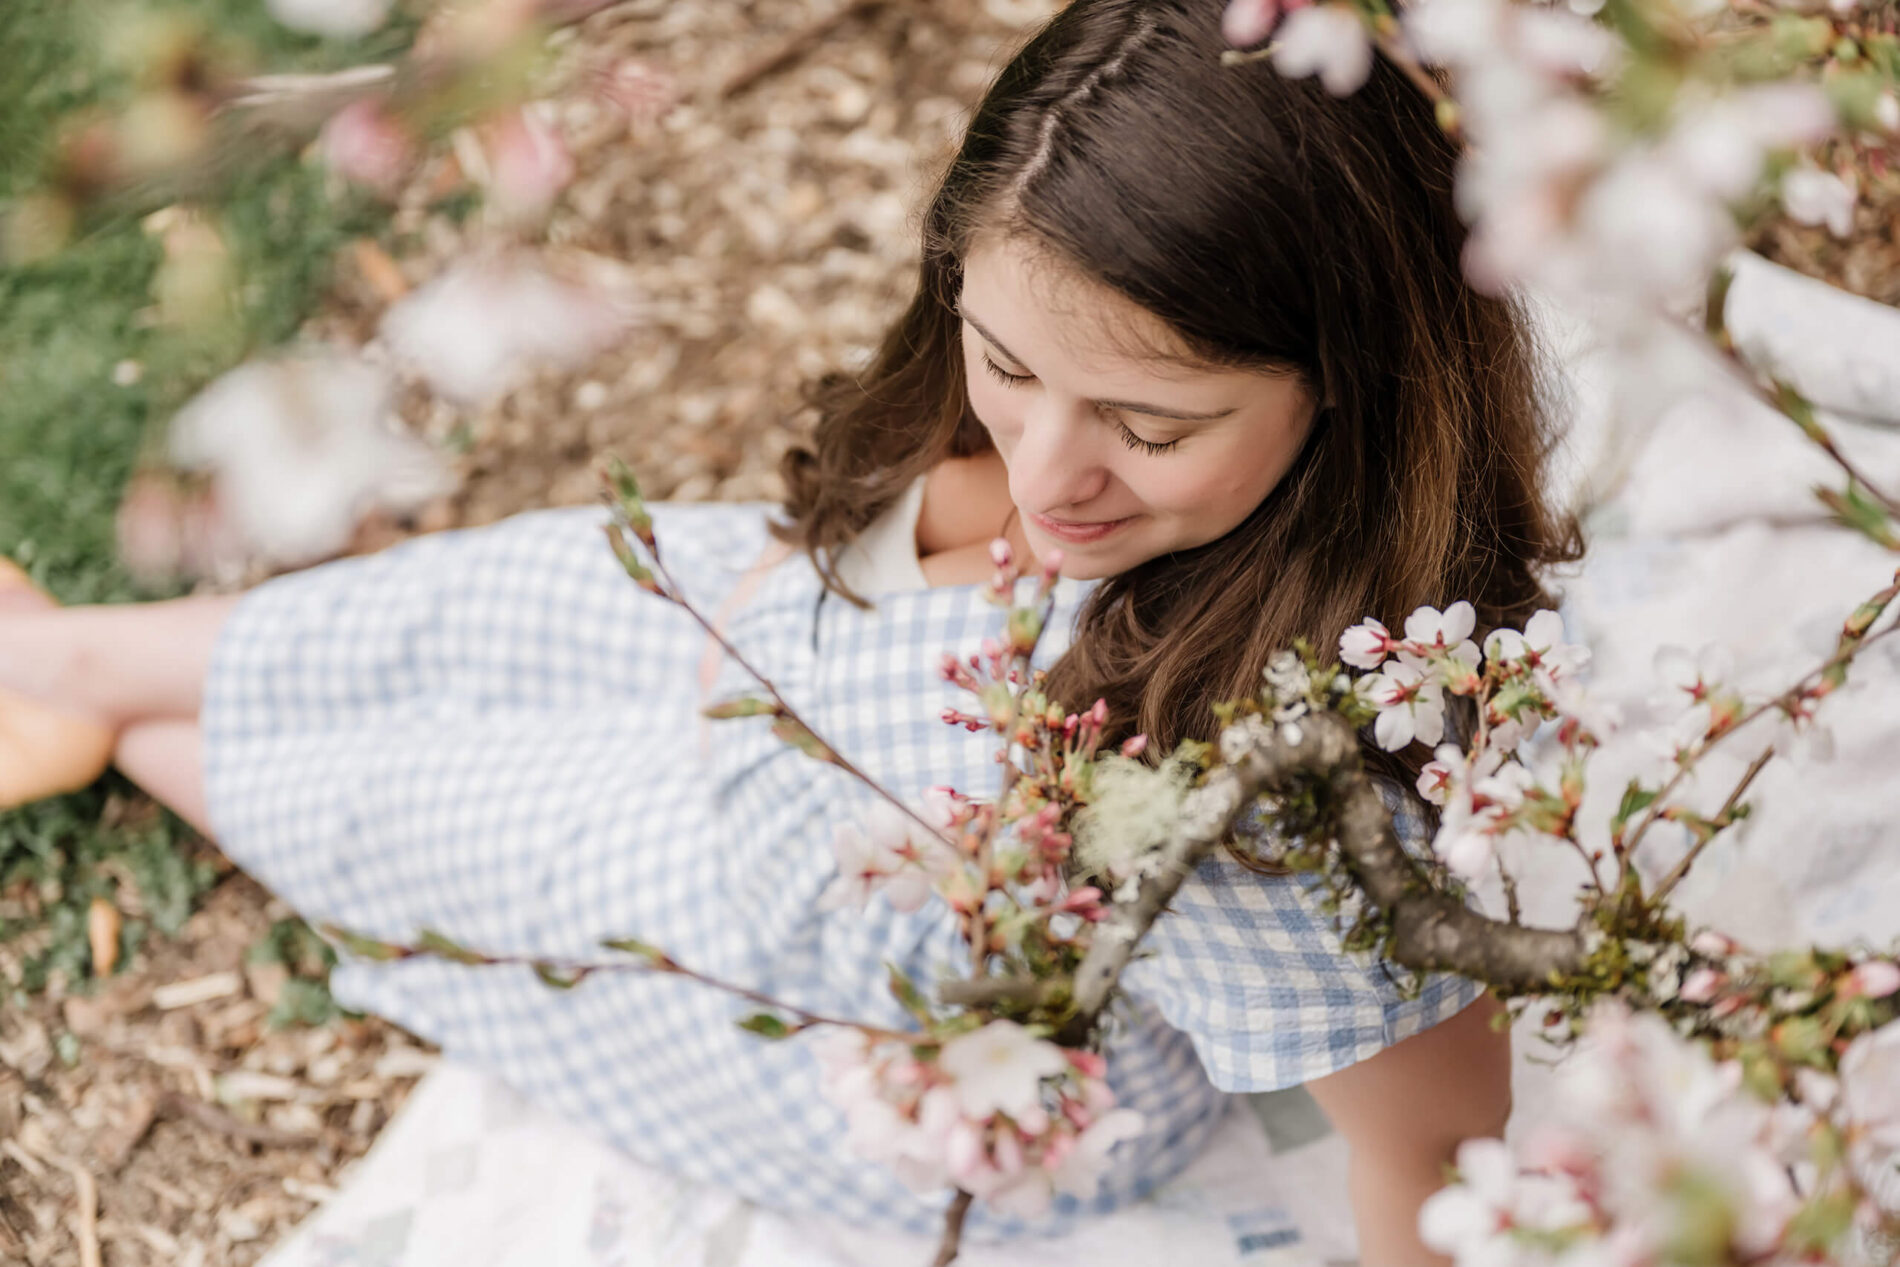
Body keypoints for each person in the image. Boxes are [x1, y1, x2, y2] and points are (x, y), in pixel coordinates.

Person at [0, 0, 1577, 1259]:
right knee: (445, 617)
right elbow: (1009, 469)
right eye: (1004, 367)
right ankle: (68, 663)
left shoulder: (1274, 803)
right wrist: (1049, 472)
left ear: (1352, 390)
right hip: (786, 639)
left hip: (804, 950)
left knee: (410, 825)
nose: (1047, 473)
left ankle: (130, 737)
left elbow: (1433, 1150)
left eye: (1150, 429)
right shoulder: (1103, 420)